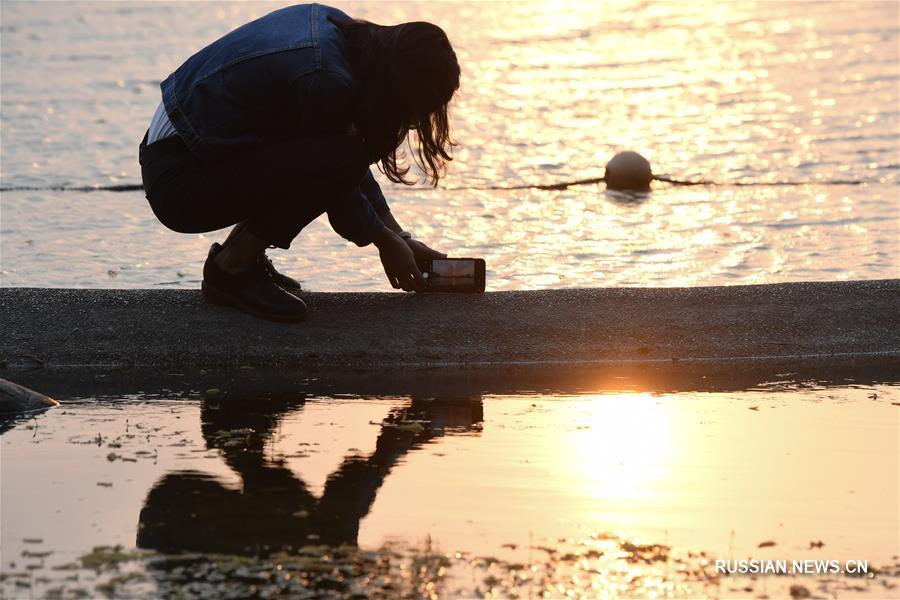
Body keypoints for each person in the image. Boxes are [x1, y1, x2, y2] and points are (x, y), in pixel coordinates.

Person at [138, 3, 460, 322]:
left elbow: (338, 160)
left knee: (336, 154)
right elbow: (337, 183)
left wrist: (399, 236)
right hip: (179, 181)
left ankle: (242, 257)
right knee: (337, 158)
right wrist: (386, 243)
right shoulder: (326, 79)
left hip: (183, 152)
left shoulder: (339, 32)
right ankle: (232, 269)